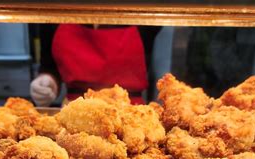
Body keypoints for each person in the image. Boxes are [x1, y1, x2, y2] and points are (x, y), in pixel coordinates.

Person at [30, 24, 160, 106]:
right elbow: (49, 66)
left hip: (132, 112)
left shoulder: (139, 9)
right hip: (75, 110)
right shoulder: (54, 9)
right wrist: (47, 81)